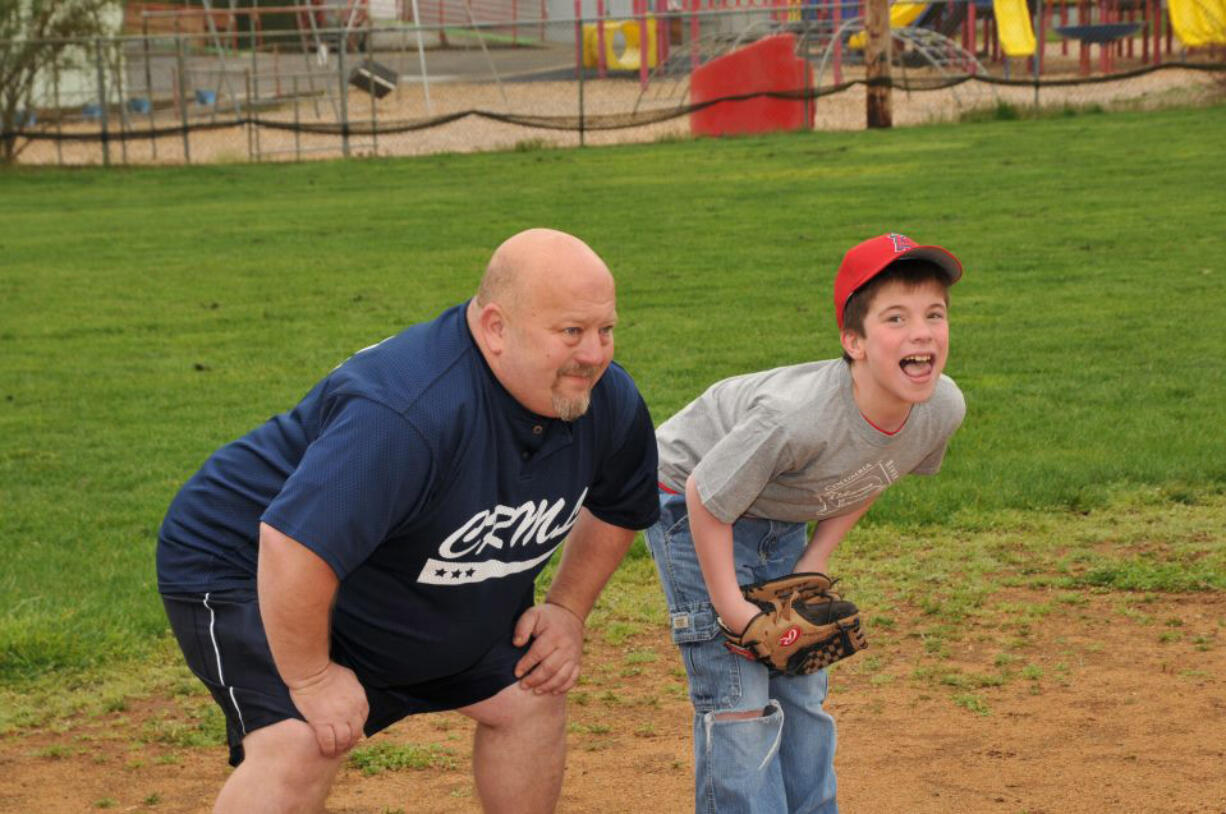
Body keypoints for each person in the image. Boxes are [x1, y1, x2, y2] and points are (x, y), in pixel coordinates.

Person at [156, 228, 660, 813]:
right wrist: (313, 678)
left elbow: (622, 503)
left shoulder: (605, 402)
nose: (595, 353)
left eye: (606, 330)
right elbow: (293, 545)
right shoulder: (409, 413)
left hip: (386, 562)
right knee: (301, 740)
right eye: (571, 331)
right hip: (249, 559)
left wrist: (568, 610)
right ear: (496, 328)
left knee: (530, 688)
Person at [646, 232, 967, 813]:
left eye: (934, 314)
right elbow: (705, 494)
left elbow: (878, 467)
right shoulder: (797, 418)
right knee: (739, 695)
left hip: (781, 500)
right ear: (855, 342)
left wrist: (814, 561)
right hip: (691, 500)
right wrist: (733, 612)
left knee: (800, 682)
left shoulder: (940, 406)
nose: (922, 331)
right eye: (896, 317)